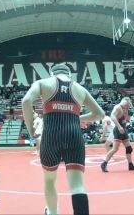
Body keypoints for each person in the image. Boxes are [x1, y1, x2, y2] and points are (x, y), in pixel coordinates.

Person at [22, 63, 105, 215]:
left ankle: (53, 212)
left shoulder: (43, 83)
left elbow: (26, 101)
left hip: (51, 135)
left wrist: (31, 130)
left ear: (51, 73)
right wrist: (77, 117)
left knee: (49, 179)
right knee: (78, 185)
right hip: (74, 135)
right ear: (69, 74)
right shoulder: (80, 89)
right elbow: (100, 114)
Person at [100, 97, 134, 173]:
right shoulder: (118, 107)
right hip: (118, 130)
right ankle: (104, 163)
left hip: (123, 129)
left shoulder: (125, 108)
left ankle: (130, 165)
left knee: (129, 148)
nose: (128, 108)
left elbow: (124, 118)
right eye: (128, 106)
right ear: (125, 104)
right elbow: (112, 116)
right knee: (115, 149)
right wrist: (119, 127)